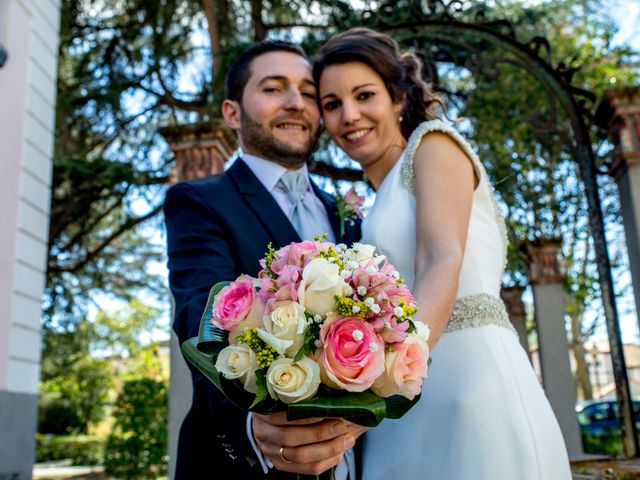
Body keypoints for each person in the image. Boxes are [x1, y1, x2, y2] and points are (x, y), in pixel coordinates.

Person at [313, 28, 572, 479]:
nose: (349, 116)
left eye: (364, 95)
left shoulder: (433, 145)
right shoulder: (375, 200)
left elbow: (441, 259)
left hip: (470, 382)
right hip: (404, 408)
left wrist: (386, 385)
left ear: (397, 97)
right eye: (332, 104)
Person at [164, 41, 364, 479]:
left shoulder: (345, 215)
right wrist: (251, 427)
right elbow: (201, 318)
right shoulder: (199, 201)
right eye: (274, 88)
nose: (296, 102)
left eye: (308, 92)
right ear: (232, 113)